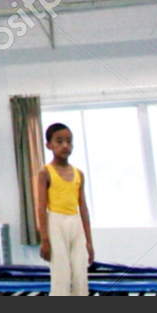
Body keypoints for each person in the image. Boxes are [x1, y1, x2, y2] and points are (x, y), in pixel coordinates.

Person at [36, 122, 94, 295]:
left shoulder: (79, 174)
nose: (65, 146)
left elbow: (83, 208)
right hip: (55, 222)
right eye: (59, 141)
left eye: (69, 141)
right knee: (61, 274)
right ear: (49, 145)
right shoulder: (45, 172)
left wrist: (89, 242)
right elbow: (41, 207)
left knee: (79, 274)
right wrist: (44, 239)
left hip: (75, 224)